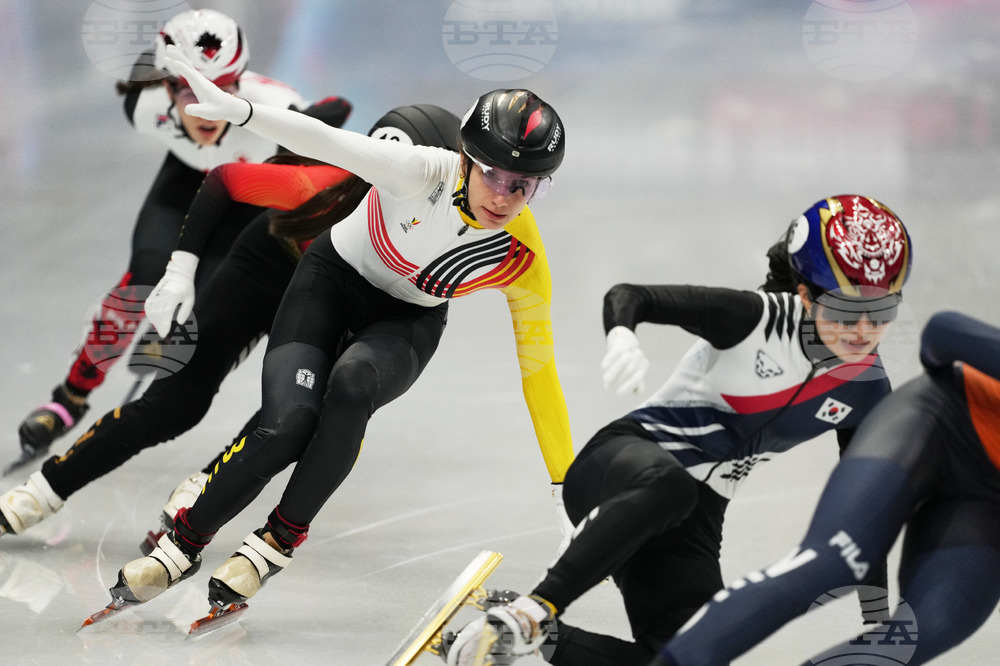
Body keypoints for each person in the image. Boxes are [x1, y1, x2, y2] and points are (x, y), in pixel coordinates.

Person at [103, 45, 575, 618]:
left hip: (408, 319)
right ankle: (182, 544)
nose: (505, 196)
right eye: (495, 175)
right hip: (331, 280)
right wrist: (239, 111)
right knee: (286, 427)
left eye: (526, 185)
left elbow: (540, 372)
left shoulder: (523, 258)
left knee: (352, 387)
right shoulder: (421, 170)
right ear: (466, 159)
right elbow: (322, 140)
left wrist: (562, 481)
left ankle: (274, 542)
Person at [442, 195, 913, 666]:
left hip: (695, 520)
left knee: (691, 657)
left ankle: (524, 634)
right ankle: (532, 610)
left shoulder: (866, 391)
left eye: (882, 311)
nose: (863, 330)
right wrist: (622, 335)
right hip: (622, 466)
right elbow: (631, 295)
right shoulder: (756, 319)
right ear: (806, 294)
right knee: (673, 486)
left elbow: (864, 514)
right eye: (846, 310)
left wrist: (876, 624)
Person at [0, 105, 460, 538]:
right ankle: (43, 491)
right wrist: (180, 270)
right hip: (266, 266)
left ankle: (205, 486)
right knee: (173, 402)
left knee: (295, 411)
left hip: (341, 293)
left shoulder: (449, 228)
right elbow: (224, 181)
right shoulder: (320, 183)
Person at [14, 9, 349, 464]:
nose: (205, 107)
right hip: (185, 183)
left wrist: (313, 123)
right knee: (141, 282)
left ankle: (158, 399)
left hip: (240, 198)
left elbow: (339, 109)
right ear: (167, 86)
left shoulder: (277, 109)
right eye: (190, 90)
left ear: (241, 84)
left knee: (204, 300)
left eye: (223, 89)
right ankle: (70, 397)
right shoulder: (142, 106)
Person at [652, 309, 1000, 666]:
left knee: (923, 632)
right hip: (937, 423)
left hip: (987, 500)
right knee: (832, 562)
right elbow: (940, 333)